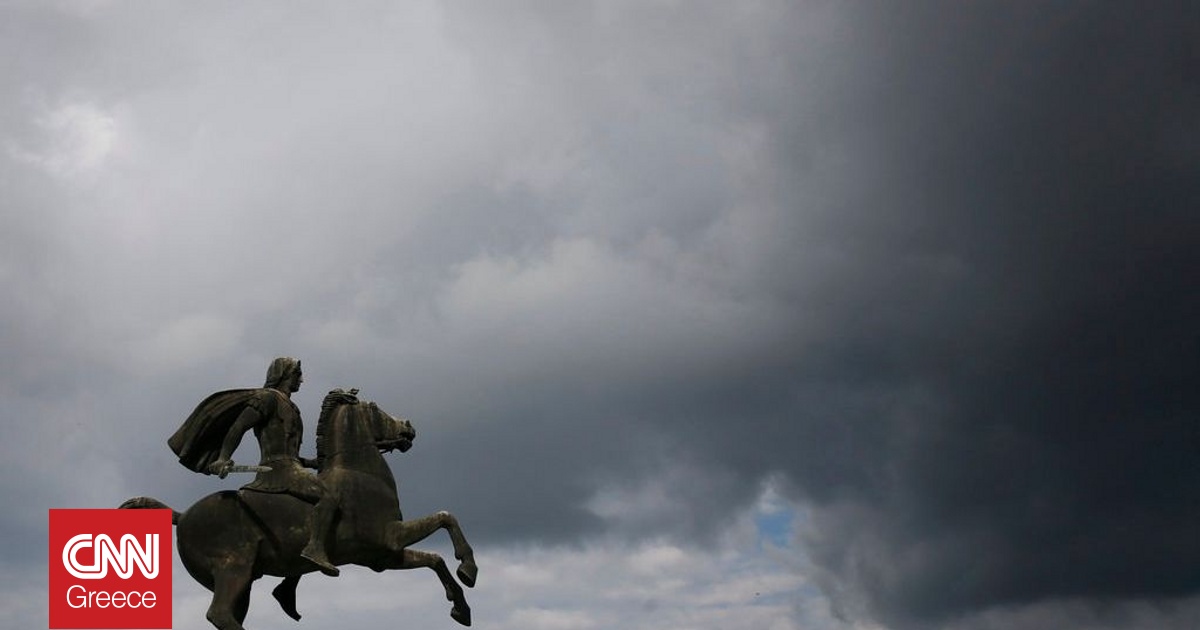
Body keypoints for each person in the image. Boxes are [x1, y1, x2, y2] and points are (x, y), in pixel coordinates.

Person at [168, 357, 341, 577]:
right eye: (298, 375)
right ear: (285, 374)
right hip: (277, 472)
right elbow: (238, 427)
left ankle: (289, 581)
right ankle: (314, 549)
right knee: (328, 497)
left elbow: (291, 453)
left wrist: (310, 463)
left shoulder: (292, 408)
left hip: (292, 467)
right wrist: (224, 457)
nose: (302, 380)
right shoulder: (266, 399)